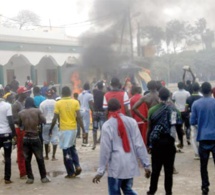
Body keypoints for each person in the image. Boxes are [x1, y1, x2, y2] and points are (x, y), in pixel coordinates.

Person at [92, 98, 151, 194]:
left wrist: (100, 171)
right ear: (120, 107)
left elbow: (105, 150)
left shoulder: (107, 125)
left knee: (114, 192)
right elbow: (139, 144)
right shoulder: (132, 122)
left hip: (115, 165)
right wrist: (146, 165)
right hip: (129, 162)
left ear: (108, 110)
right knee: (127, 189)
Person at [147, 87, 179, 195]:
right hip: (169, 143)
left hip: (156, 143)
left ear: (159, 96)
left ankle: (152, 191)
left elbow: (149, 129)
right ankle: (168, 192)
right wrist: (181, 142)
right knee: (168, 171)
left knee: (155, 170)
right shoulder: (174, 110)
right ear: (169, 96)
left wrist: (148, 144)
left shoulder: (152, 110)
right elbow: (177, 127)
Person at [49, 86, 85, 178]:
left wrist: (51, 128)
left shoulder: (58, 103)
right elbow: (79, 117)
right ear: (70, 93)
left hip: (64, 130)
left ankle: (70, 172)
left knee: (66, 151)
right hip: (73, 129)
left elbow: (55, 118)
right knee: (72, 148)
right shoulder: (75, 102)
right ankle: (77, 165)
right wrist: (83, 129)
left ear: (62, 93)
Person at [190, 82, 215, 195]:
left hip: (203, 138)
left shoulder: (196, 104)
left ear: (201, 90)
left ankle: (205, 187)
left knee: (203, 165)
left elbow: (192, 121)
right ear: (211, 90)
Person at [18, 97, 50, 184]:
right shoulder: (37, 111)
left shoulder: (21, 113)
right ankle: (43, 177)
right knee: (40, 158)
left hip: (26, 138)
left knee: (27, 159)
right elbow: (44, 120)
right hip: (35, 137)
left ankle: (30, 178)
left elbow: (20, 124)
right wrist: (38, 121)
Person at [0, 88, 16, 184]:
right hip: (6, 134)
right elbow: (10, 121)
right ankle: (7, 178)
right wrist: (14, 134)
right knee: (7, 157)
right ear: (2, 94)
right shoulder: (7, 106)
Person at [12, 86, 29, 179]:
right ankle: (22, 172)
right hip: (20, 129)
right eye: (25, 92)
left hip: (26, 128)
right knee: (21, 151)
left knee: (26, 151)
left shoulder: (24, 103)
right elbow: (15, 120)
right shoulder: (15, 105)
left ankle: (26, 170)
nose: (27, 94)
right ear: (20, 94)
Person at [39, 89, 58, 160]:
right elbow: (58, 114)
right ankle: (53, 156)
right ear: (52, 95)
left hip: (45, 123)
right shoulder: (56, 103)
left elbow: (40, 115)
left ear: (46, 95)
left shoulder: (42, 104)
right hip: (54, 123)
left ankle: (46, 156)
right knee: (55, 140)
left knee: (46, 140)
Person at [185, 82, 202, 159]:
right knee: (201, 134)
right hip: (201, 117)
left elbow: (186, 109)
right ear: (199, 89)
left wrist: (188, 115)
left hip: (192, 116)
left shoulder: (189, 98)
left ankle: (196, 153)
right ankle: (203, 151)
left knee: (194, 136)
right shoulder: (201, 98)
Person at [78, 82, 94, 146]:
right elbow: (91, 105)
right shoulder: (90, 95)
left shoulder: (80, 95)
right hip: (86, 111)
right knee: (86, 127)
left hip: (80, 111)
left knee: (82, 126)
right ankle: (85, 141)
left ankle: (83, 140)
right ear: (89, 87)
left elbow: (78, 103)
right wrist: (93, 111)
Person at [92, 81, 105, 150]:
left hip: (95, 112)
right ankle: (101, 141)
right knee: (102, 128)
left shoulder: (94, 92)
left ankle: (94, 143)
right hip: (102, 112)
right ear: (102, 87)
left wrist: (97, 83)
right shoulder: (104, 93)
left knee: (94, 129)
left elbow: (93, 87)